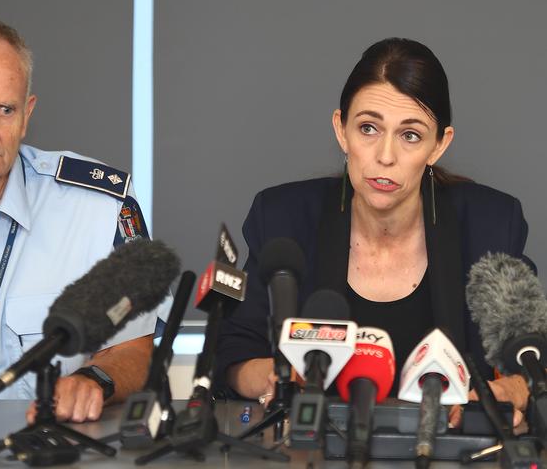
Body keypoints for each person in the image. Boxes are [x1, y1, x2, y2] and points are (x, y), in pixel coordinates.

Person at [215, 37, 532, 428]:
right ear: (341, 130)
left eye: (410, 135)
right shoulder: (284, 217)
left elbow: (532, 357)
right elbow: (231, 351)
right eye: (368, 128)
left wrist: (514, 389)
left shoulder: (490, 225)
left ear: (438, 145)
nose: (385, 156)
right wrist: (273, 376)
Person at [0, 15, 168, 423]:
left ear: (26, 114)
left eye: (5, 109)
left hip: (47, 449)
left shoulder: (100, 209)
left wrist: (95, 379)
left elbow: (134, 347)